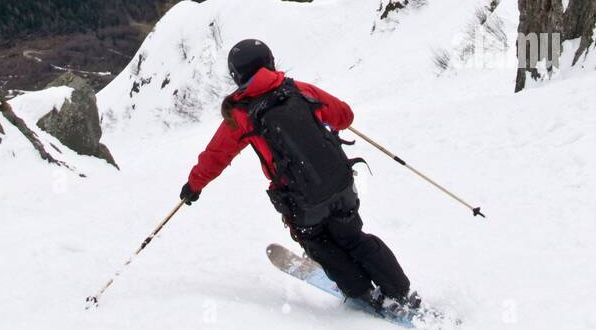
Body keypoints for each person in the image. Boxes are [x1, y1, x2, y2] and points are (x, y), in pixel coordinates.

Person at [180, 38, 419, 314]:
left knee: (320, 245)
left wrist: (193, 186)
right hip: (340, 186)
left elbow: (216, 156)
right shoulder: (296, 89)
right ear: (269, 61)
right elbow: (344, 115)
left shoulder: (240, 114)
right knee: (354, 237)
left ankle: (364, 293)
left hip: (302, 203)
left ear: (236, 76)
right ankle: (400, 291)